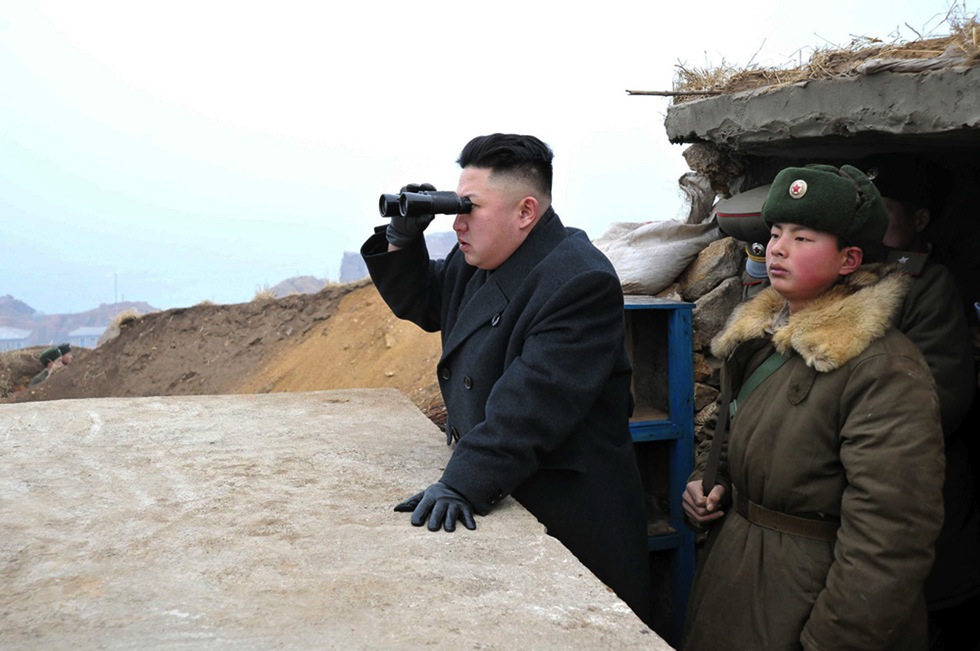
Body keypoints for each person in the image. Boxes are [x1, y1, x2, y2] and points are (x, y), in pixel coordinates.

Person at [361, 133, 652, 624]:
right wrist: (401, 239)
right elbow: (428, 301)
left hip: (568, 514)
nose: (457, 222)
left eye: (470, 208)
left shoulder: (579, 280)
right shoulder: (482, 256)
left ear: (525, 212)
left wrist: (460, 484)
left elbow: (529, 406)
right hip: (514, 483)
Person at [681, 164, 945, 649]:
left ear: (849, 260)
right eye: (777, 233)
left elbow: (890, 538)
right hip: (734, 576)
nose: (777, 248)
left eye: (803, 238)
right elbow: (737, 425)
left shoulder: (884, 369)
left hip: (807, 599)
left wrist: (831, 640)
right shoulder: (761, 342)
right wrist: (708, 478)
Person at [872, 157, 980, 650]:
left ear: (920, 219)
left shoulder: (931, 285)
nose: (876, 218)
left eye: (887, 208)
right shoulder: (863, 273)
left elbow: (943, 398)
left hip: (917, 488)